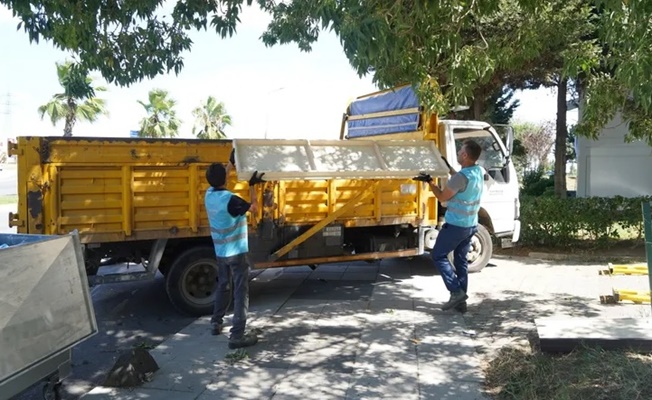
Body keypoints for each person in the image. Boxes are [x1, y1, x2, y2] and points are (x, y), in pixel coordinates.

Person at [414, 139, 484, 312]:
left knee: (438, 255)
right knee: (461, 262)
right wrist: (449, 169)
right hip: (471, 225)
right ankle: (461, 304)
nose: (459, 153)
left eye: (461, 151)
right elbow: (461, 180)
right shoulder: (477, 172)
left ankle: (455, 291)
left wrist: (430, 182)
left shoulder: (460, 177)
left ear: (466, 155)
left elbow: (442, 197)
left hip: (456, 226)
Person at [205, 161, 265, 349]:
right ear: (224, 178)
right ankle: (237, 335)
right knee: (240, 291)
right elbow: (254, 208)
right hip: (236, 252)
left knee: (223, 285)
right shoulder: (232, 200)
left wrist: (230, 164)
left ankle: (216, 322)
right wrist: (252, 186)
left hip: (220, 251)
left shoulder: (209, 194)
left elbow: (220, 179)